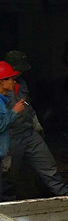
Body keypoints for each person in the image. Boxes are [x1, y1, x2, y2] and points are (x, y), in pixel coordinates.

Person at [3, 50, 68, 198]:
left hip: (29, 133)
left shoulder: (22, 83)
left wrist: (36, 123)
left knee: (48, 164)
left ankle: (64, 194)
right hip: (10, 138)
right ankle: (6, 203)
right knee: (8, 175)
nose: (20, 73)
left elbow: (28, 106)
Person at [0, 60, 26, 201]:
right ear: (2, 81)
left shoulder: (3, 101)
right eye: (10, 78)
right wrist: (15, 111)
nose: (14, 82)